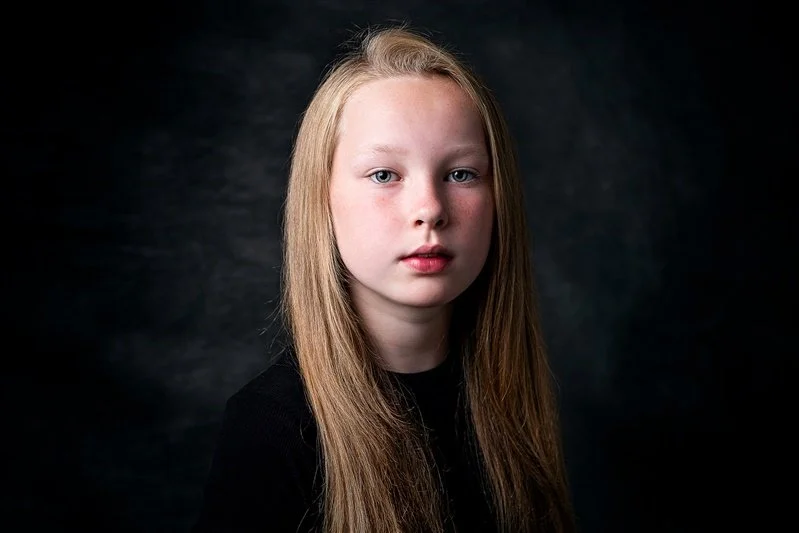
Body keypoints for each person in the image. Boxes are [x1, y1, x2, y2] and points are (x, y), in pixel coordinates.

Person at [192, 24, 576, 533]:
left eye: (460, 173)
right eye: (384, 175)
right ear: (321, 201)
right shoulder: (271, 431)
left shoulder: (510, 408)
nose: (430, 210)